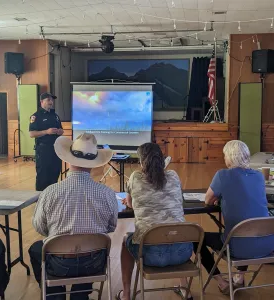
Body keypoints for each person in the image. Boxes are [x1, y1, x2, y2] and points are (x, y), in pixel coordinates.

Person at [28, 133, 118, 300]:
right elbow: (111, 227)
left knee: (36, 249)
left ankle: (55, 295)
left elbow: (40, 227)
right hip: (93, 263)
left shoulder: (50, 192)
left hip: (59, 263)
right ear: (93, 164)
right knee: (92, 248)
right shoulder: (107, 193)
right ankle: (81, 294)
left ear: (68, 160)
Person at [194, 140, 274, 294]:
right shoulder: (258, 176)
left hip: (237, 247)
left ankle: (222, 282)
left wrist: (221, 197)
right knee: (248, 226)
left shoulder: (222, 175)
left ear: (229, 158)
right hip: (268, 244)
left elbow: (207, 200)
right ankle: (239, 276)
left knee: (197, 238)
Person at [118, 143, 194, 300]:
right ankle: (185, 289)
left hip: (151, 255)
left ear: (141, 162)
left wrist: (130, 202)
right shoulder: (173, 175)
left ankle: (125, 294)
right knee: (173, 230)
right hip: (184, 252)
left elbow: (131, 204)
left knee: (126, 240)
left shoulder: (135, 178)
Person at [29, 92, 64, 191]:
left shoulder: (55, 116)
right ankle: (40, 199)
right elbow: (31, 134)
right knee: (43, 175)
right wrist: (46, 132)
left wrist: (60, 131)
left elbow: (61, 130)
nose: (51, 102)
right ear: (42, 102)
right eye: (48, 100)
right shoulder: (36, 116)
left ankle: (52, 197)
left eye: (52, 100)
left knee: (55, 173)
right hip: (43, 150)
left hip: (55, 150)